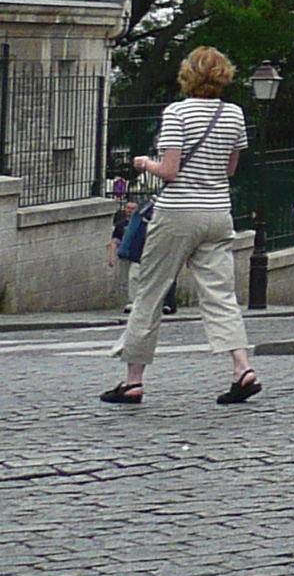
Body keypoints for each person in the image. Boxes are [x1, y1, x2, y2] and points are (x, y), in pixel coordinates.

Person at [101, 45, 261, 408]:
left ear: (188, 75)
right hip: (219, 213)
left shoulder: (177, 112)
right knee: (220, 296)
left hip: (176, 214)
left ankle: (133, 381)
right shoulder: (234, 114)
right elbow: (230, 170)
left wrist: (144, 162)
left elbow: (170, 170)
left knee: (151, 292)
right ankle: (242, 368)